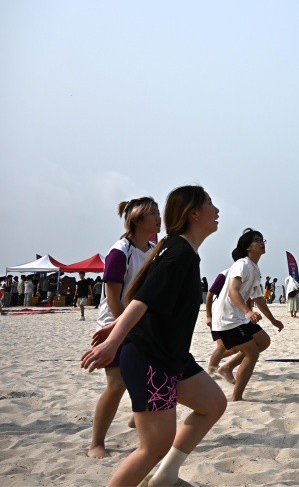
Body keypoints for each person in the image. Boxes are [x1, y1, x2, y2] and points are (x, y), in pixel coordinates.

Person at [81, 186, 226, 486]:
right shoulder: (178, 252)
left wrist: (117, 328)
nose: (217, 210)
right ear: (193, 213)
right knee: (153, 447)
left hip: (171, 355)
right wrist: (113, 340)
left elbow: (146, 297)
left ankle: (165, 476)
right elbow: (141, 300)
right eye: (210, 203)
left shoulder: (176, 249)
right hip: (150, 358)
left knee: (213, 403)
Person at [89, 196, 160, 459]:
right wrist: (125, 329)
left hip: (138, 323)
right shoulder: (120, 251)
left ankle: (136, 418)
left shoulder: (152, 249)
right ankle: (96, 443)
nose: (159, 217)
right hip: (113, 325)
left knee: (152, 376)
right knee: (116, 384)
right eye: (153, 213)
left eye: (158, 212)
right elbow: (113, 299)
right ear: (137, 220)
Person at [211, 229, 284, 401]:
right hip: (228, 318)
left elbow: (258, 298)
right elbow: (232, 291)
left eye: (262, 239)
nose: (261, 242)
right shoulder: (242, 264)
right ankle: (236, 397)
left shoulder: (255, 268)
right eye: (257, 240)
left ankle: (227, 367)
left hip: (239, 317)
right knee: (252, 354)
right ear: (248, 247)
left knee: (264, 341)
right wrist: (248, 311)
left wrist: (273, 320)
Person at [204, 268, 233, 375]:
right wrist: (208, 316)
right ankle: (211, 371)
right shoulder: (225, 274)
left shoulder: (248, 272)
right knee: (222, 346)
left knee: (236, 347)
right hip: (218, 313)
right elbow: (210, 294)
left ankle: (214, 360)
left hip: (233, 315)